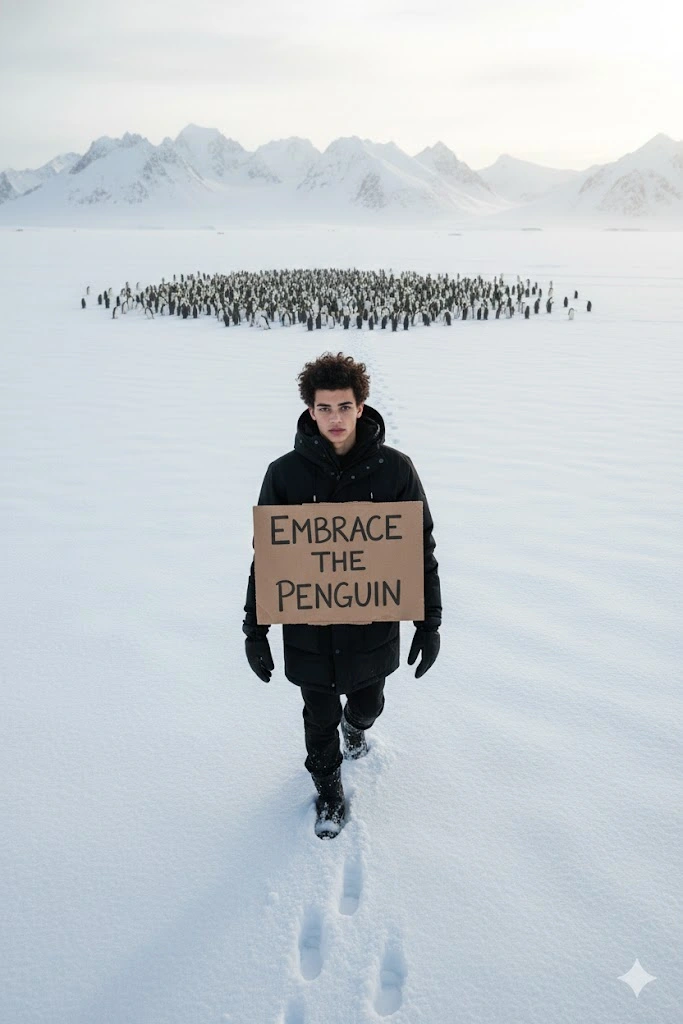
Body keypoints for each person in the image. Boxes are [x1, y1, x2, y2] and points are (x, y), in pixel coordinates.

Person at [242, 352, 442, 839]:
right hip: (309, 633)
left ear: (361, 407)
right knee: (318, 719)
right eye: (324, 407)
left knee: (367, 705)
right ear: (310, 410)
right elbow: (267, 557)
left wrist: (429, 623)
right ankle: (329, 791)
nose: (335, 418)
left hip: (371, 630)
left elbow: (420, 546)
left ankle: (358, 727)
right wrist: (255, 629)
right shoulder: (284, 474)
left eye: (344, 407)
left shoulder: (395, 470)